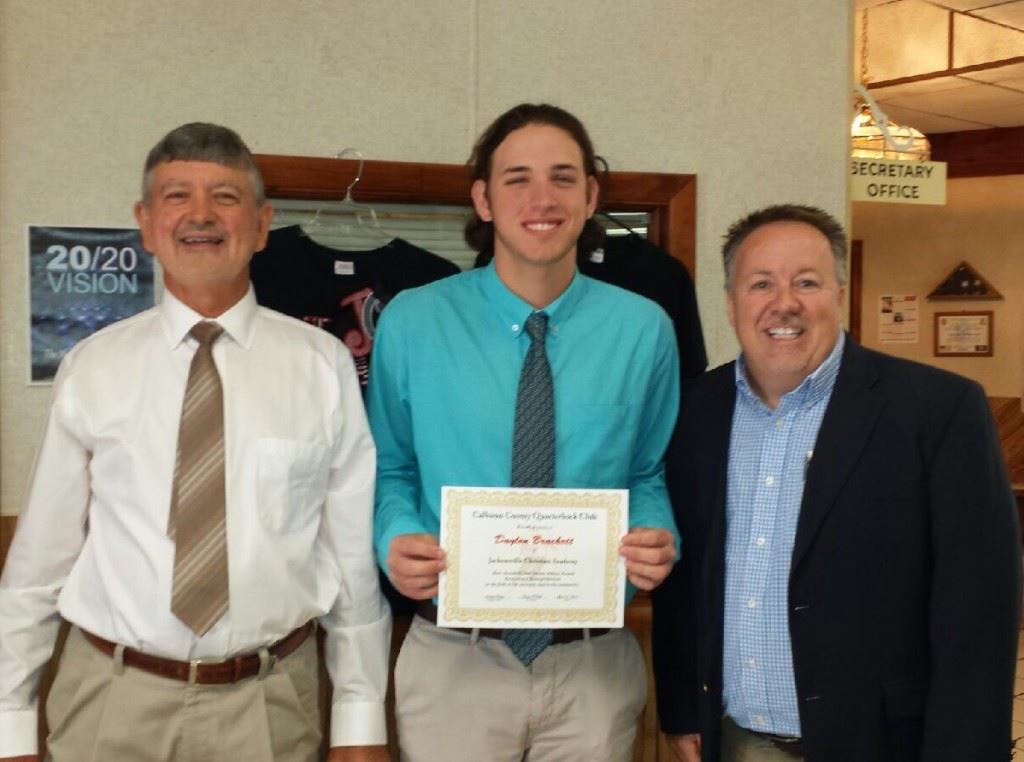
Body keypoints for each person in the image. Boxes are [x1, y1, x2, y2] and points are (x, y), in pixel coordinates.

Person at [0, 123, 390, 762]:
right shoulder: (92, 367)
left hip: (269, 702)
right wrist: (10, 722)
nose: (201, 215)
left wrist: (360, 718)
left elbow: (347, 559)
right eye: (178, 196)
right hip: (110, 699)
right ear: (147, 224)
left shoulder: (322, 366)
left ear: (262, 226)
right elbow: (40, 560)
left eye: (226, 197)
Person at [367, 103, 680, 761]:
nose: (542, 198)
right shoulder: (414, 321)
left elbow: (647, 473)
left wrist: (660, 534)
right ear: (483, 199)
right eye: (517, 178)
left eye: (564, 178)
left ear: (591, 197)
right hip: (454, 659)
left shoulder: (644, 327)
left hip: (592, 666)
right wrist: (394, 538)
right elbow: (389, 468)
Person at [651, 204, 1021, 761]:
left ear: (839, 293)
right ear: (730, 304)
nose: (785, 303)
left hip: (887, 745)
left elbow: (979, 610)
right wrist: (682, 709)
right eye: (760, 284)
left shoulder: (939, 409)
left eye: (807, 282)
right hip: (736, 741)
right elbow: (685, 583)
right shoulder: (693, 412)